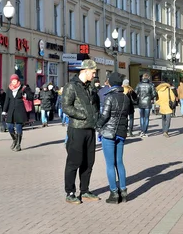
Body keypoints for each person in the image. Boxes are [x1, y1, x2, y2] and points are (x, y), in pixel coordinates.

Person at [62, 60, 100, 205]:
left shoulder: (90, 87)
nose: (95, 75)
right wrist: (83, 115)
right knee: (74, 162)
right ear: (85, 71)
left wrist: (96, 117)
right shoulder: (71, 86)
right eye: (93, 72)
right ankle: (70, 192)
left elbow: (96, 105)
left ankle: (85, 190)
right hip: (77, 128)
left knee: (89, 162)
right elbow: (66, 106)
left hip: (90, 129)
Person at [96, 72, 133, 204]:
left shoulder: (109, 97)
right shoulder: (126, 98)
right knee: (120, 162)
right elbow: (129, 114)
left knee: (110, 164)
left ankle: (113, 193)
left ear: (110, 83)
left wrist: (97, 125)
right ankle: (123, 191)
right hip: (121, 132)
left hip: (109, 133)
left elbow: (105, 116)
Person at [2, 74, 26, 152]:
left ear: (18, 80)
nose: (14, 82)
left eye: (15, 80)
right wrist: (4, 111)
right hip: (11, 110)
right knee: (9, 126)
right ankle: (15, 139)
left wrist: (25, 95)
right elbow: (7, 100)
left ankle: (18, 145)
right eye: (12, 80)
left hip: (20, 110)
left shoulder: (23, 88)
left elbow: (30, 96)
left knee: (19, 127)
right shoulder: (9, 89)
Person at [135, 73, 158, 138]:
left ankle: (142, 131)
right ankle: (145, 131)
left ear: (143, 77)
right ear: (148, 78)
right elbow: (154, 94)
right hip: (148, 102)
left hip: (140, 102)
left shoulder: (139, 84)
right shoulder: (151, 85)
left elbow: (135, 92)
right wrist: (150, 97)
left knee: (141, 117)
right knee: (146, 118)